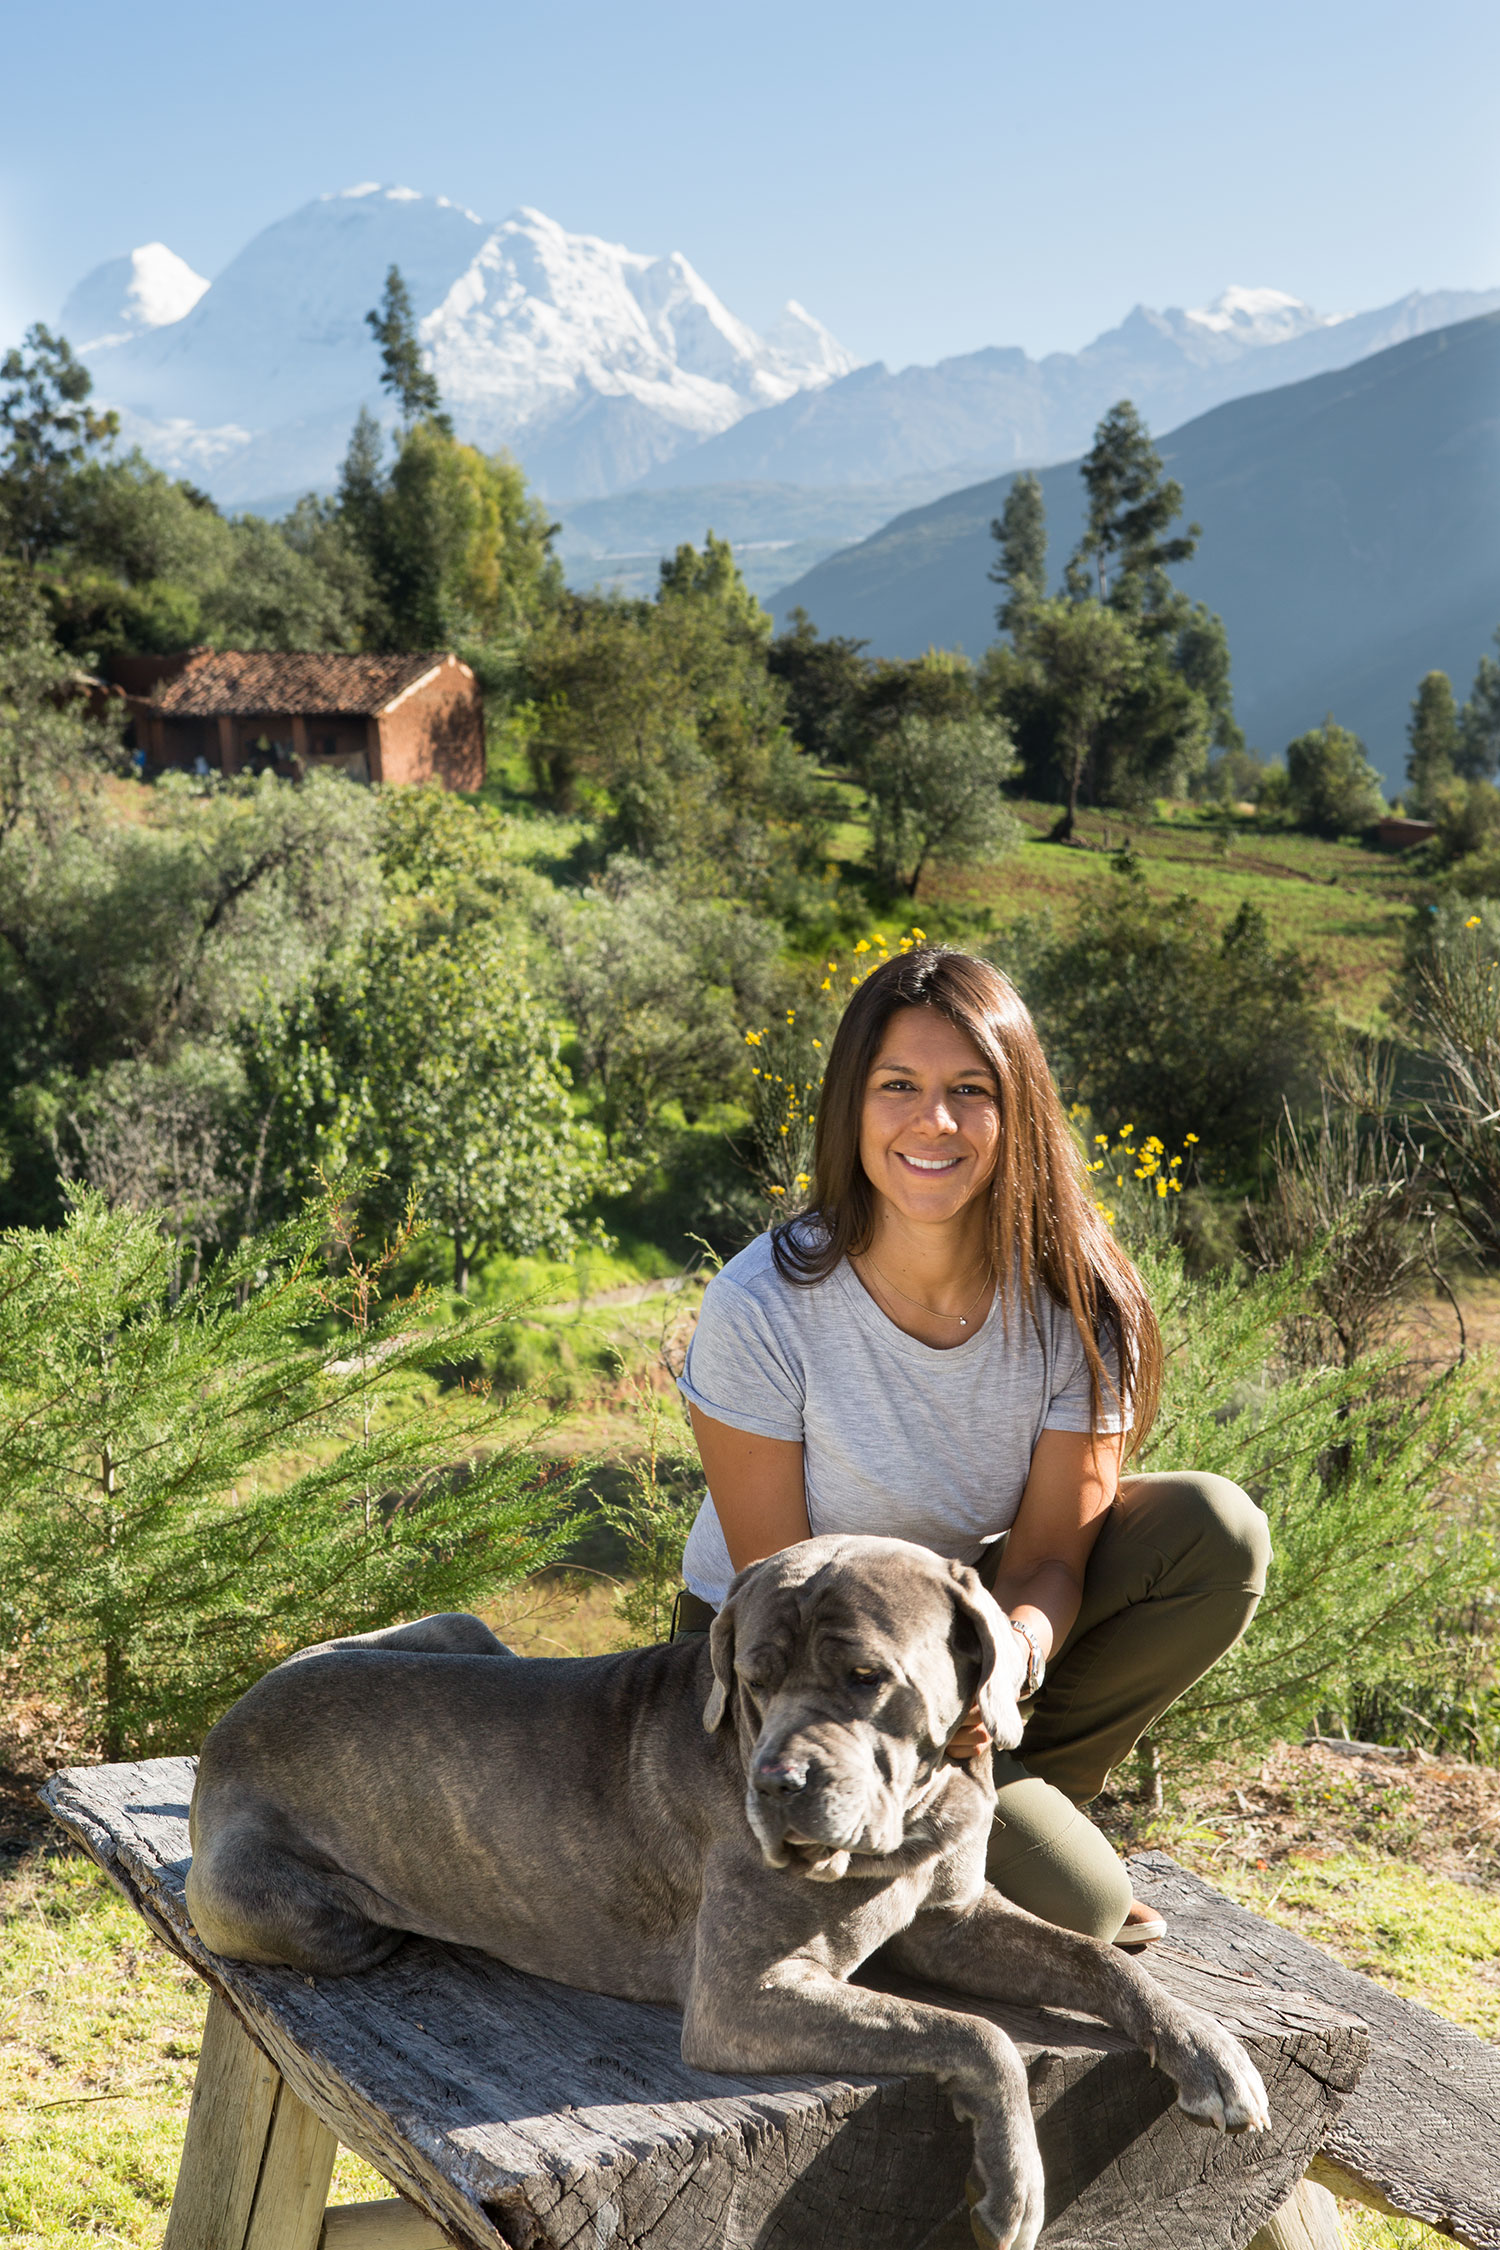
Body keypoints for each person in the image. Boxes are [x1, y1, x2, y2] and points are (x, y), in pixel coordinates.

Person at [675, 946, 1269, 1948]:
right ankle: (955, 1824)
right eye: (897, 1086)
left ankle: (1000, 1788)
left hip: (959, 1630)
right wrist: (923, 1685)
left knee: (1216, 1530)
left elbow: (1046, 1559)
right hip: (787, 1671)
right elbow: (775, 1583)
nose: (933, 1122)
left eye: (970, 1091)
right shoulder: (762, 1304)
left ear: (1017, 1110)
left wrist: (1003, 1672)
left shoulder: (1080, 1304)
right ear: (850, 1108)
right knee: (1083, 1910)